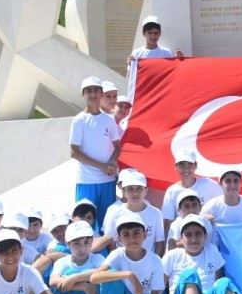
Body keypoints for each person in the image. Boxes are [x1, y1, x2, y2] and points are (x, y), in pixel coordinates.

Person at [91, 212, 165, 294]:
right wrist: (129, 275)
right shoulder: (117, 255)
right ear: (119, 239)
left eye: (136, 233)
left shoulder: (155, 261)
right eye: (126, 234)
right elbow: (94, 277)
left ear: (145, 234)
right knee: (111, 275)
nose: (132, 239)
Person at [70, 76, 122, 222]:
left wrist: (112, 161)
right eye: (88, 91)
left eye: (96, 91)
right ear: (83, 94)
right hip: (86, 180)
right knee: (84, 223)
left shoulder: (109, 119)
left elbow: (117, 146)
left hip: (107, 180)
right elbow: (74, 152)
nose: (92, 95)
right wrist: (102, 166)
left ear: (101, 94)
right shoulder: (79, 120)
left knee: (107, 221)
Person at [96, 171, 165, 256]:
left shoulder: (156, 213)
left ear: (146, 190)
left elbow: (159, 242)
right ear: (124, 191)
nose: (135, 193)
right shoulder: (115, 213)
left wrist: (155, 263)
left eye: (139, 188)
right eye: (130, 189)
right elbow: (111, 242)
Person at [160, 149, 222, 232]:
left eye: (190, 164)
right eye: (181, 164)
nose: (186, 169)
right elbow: (168, 222)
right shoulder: (171, 191)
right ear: (176, 167)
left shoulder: (210, 185)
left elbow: (222, 209)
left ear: (196, 165)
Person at [125, 15, 184, 102]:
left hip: (162, 92)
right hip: (144, 93)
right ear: (144, 33)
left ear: (159, 34)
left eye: (156, 33)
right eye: (150, 33)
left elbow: (172, 73)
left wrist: (179, 60)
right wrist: (130, 63)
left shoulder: (166, 52)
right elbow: (132, 76)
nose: (153, 36)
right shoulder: (137, 53)